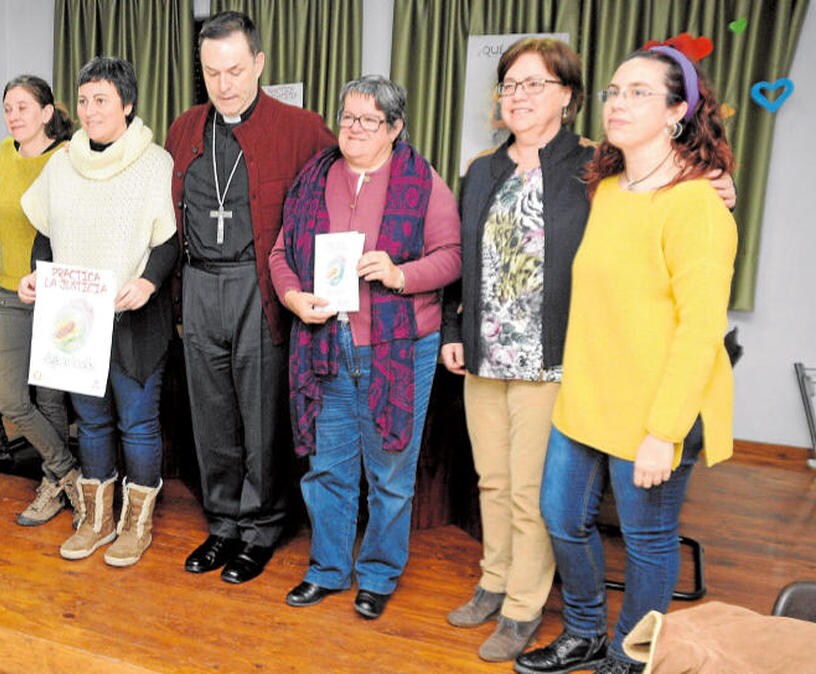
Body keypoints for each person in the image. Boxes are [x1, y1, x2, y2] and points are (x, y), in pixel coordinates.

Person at [442, 38, 737, 663]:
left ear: (568, 98)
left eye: (535, 85)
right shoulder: (532, 176)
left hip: (594, 379)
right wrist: (453, 329)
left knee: (601, 522)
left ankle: (586, 635)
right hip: (536, 372)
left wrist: (718, 178)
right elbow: (469, 260)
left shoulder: (616, 179)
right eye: (510, 85)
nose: (518, 96)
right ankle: (542, 606)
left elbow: (696, 318)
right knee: (525, 500)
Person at [270, 75, 461, 620]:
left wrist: (401, 274)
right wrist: (291, 296)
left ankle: (378, 574)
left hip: (398, 351)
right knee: (326, 467)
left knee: (390, 474)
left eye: (368, 120)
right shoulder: (314, 178)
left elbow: (452, 255)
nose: (353, 129)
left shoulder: (423, 183)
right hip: (324, 344)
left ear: (395, 128)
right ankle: (328, 569)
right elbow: (281, 252)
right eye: (348, 117)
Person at [165, 10, 336, 585]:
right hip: (198, 281)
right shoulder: (185, 128)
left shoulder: (302, 127)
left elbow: (341, 191)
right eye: (212, 72)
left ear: (259, 63)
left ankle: (262, 526)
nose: (225, 84)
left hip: (257, 282)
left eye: (235, 70)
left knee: (260, 411)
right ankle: (222, 522)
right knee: (210, 411)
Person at [19, 56, 177, 567]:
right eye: (84, 100)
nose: (89, 110)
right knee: (90, 424)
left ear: (127, 105)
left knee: (137, 423)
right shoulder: (62, 162)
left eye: (102, 100)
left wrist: (149, 282)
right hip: (77, 323)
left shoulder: (156, 163)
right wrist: (36, 277)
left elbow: (169, 239)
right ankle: (97, 519)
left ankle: (137, 523)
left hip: (133, 316)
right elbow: (45, 234)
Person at [0, 75, 80, 526]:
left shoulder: (65, 158)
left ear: (47, 113)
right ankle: (69, 474)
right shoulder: (2, 156)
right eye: (8, 107)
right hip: (10, 291)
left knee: (50, 400)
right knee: (11, 400)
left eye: (23, 107)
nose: (13, 116)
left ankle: (53, 486)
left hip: (55, 293)